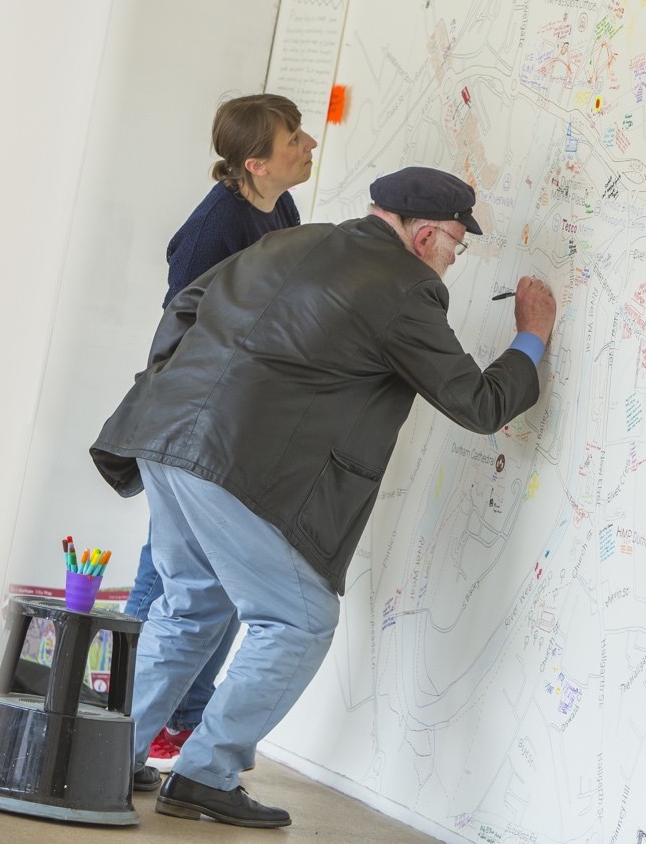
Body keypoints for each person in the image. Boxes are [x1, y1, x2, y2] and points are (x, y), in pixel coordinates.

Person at [90, 166, 558, 828]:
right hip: (236, 464)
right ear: (425, 235)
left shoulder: (288, 241)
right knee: (299, 619)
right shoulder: (404, 287)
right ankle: (204, 773)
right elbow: (477, 403)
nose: (457, 256)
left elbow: (185, 308)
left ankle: (108, 759)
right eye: (458, 242)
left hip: (167, 437)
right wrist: (531, 337)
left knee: (190, 603)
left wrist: (179, 393)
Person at [122, 92, 317, 773]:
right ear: (256, 162)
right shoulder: (214, 230)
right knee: (174, 578)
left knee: (199, 579)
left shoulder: (280, 207)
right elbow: (186, 330)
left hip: (234, 423)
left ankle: (163, 720)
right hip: (191, 422)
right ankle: (134, 723)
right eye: (293, 137)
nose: (309, 142)